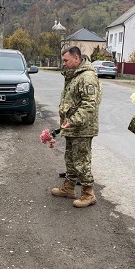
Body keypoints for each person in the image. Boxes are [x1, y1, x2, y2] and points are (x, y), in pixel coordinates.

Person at [51, 46, 102, 208]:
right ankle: (69, 188)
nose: (64, 64)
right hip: (72, 126)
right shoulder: (74, 75)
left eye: (66, 60)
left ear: (76, 58)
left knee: (82, 161)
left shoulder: (87, 77)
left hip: (82, 127)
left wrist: (73, 120)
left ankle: (88, 194)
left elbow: (89, 105)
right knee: (71, 159)